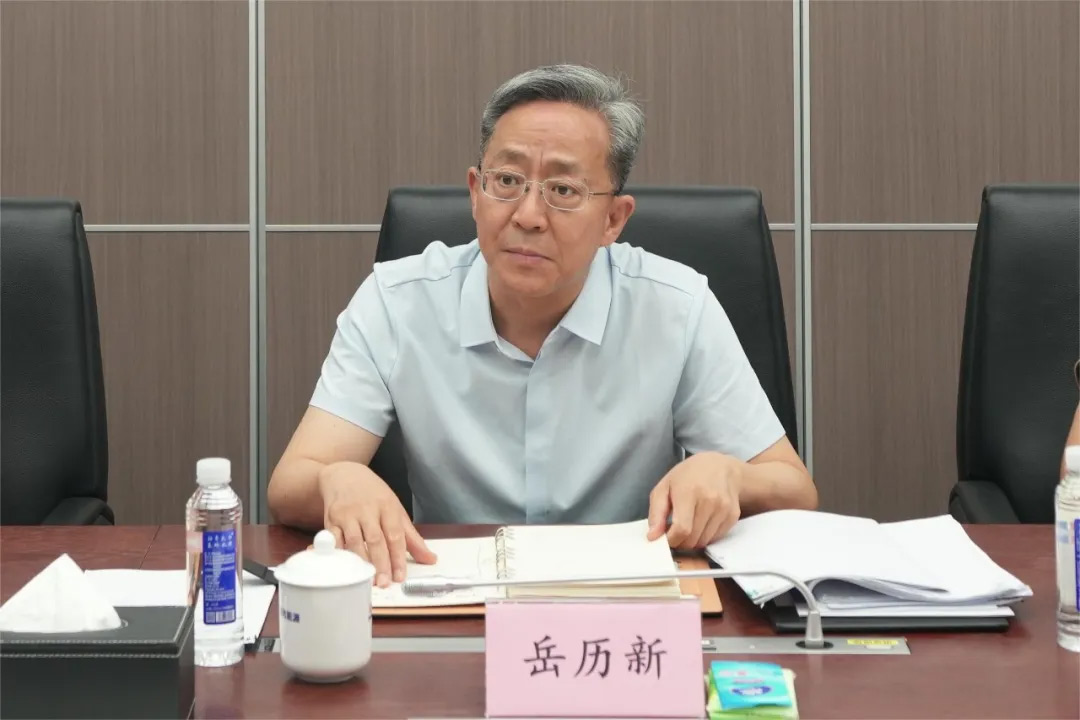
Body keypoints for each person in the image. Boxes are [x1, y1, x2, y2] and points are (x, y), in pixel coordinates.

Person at [268, 64, 817, 587]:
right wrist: (336, 478)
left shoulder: (676, 307)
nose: (528, 215)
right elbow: (291, 483)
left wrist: (730, 475)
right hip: (452, 596)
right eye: (507, 181)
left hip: (625, 600)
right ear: (475, 192)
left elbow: (794, 489)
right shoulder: (397, 301)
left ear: (613, 219)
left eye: (563, 190)